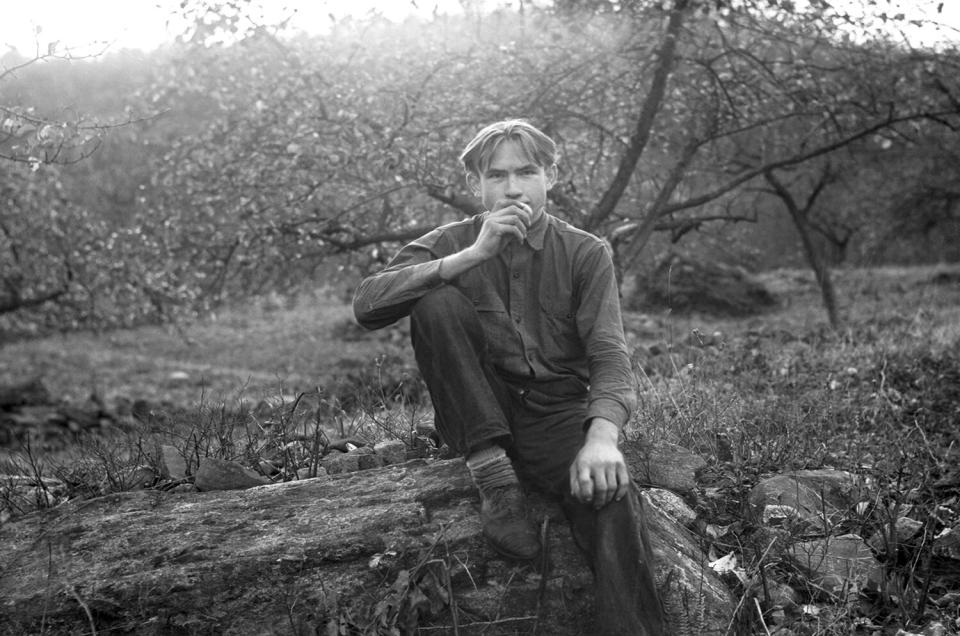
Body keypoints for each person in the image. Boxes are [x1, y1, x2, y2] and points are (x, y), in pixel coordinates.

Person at [353, 119, 666, 635]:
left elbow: (610, 354)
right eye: (497, 176)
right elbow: (367, 305)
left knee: (613, 498)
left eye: (527, 171)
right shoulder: (452, 240)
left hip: (555, 413)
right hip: (477, 409)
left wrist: (603, 438)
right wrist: (472, 256)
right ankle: (495, 480)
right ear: (475, 185)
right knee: (436, 301)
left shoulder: (586, 252)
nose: (514, 188)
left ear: (551, 176)